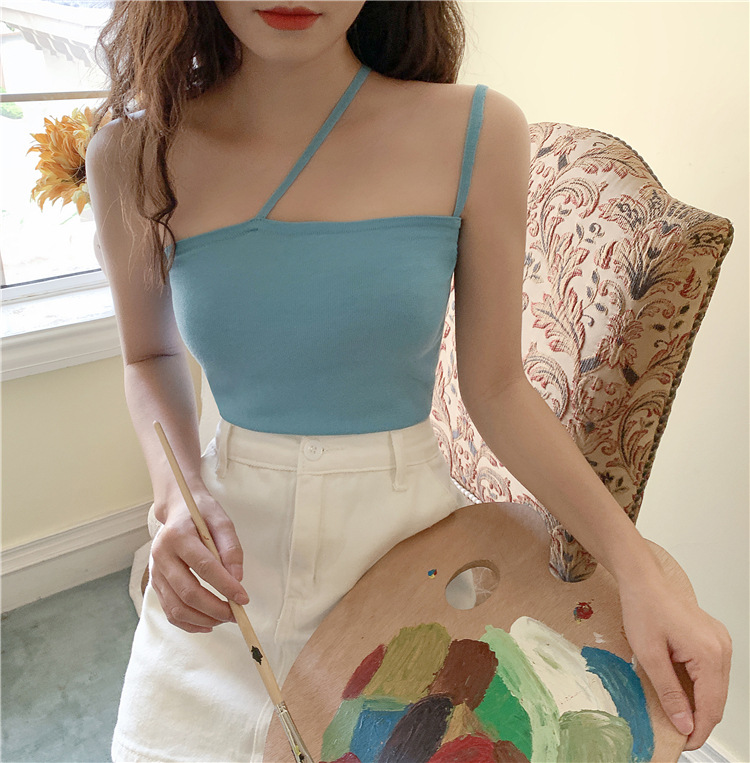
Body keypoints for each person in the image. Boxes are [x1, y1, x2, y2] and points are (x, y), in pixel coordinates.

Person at [85, 1, 731, 761]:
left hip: (407, 566)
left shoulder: (475, 132)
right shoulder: (133, 153)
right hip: (227, 579)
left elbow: (497, 388)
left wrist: (642, 573)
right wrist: (175, 498)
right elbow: (148, 357)